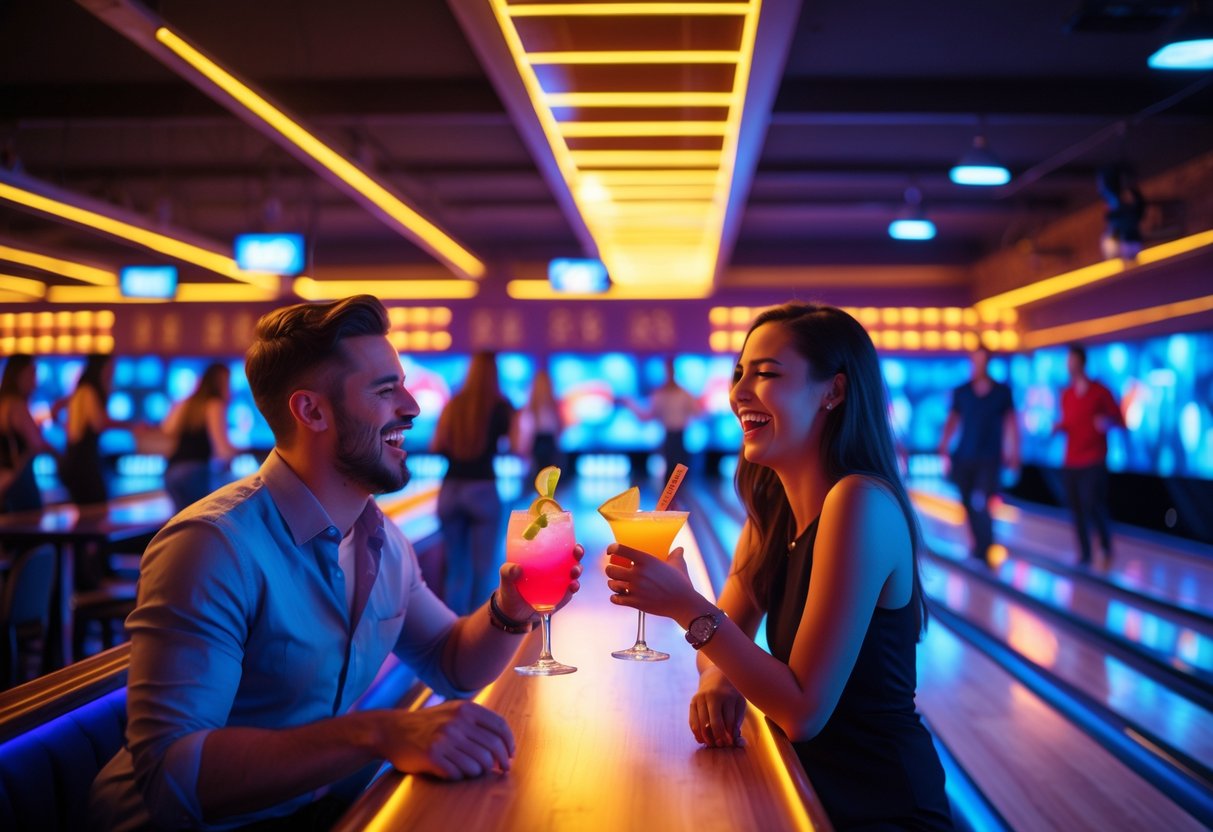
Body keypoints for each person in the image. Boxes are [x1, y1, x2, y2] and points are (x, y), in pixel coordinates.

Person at [88, 296, 583, 831]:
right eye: (384, 389)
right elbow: (174, 778)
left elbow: (451, 663)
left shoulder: (381, 539)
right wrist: (380, 733)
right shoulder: (212, 547)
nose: (413, 406)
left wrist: (509, 609)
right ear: (312, 411)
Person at [604, 303, 953, 830]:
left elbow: (802, 711)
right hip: (808, 791)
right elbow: (719, 644)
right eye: (740, 373)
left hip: (879, 806)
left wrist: (685, 607)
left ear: (832, 392)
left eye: (766, 375)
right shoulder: (771, 507)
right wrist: (719, 677)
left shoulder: (860, 503)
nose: (739, 391)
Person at [432, 352, 515, 615]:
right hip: (483, 490)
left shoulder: (454, 403)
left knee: (456, 568)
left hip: (451, 490)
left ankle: (450, 629)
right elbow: (517, 448)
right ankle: (477, 633)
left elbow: (437, 445)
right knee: (483, 569)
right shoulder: (502, 406)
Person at [937, 345, 1020, 565]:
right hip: (964, 455)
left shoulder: (1002, 391)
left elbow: (1011, 423)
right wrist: (943, 445)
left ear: (988, 362)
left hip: (990, 458)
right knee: (967, 502)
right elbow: (953, 420)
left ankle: (986, 544)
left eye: (983, 360)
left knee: (982, 501)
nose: (979, 364)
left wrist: (1014, 452)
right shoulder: (962, 391)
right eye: (976, 360)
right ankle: (979, 543)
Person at [1055, 343, 1125, 568]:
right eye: (1068, 363)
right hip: (1071, 461)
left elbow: (1119, 419)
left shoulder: (1100, 391)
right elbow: (1069, 422)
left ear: (1082, 363)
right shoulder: (1066, 394)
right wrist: (1057, 427)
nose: (1069, 366)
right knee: (1076, 508)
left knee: (1092, 505)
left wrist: (1106, 421)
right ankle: (1085, 555)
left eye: (1072, 362)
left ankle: (1105, 546)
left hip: (1094, 459)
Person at [163, 363, 238, 512]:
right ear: (221, 381)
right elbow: (222, 449)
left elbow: (167, 429)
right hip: (194, 472)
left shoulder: (187, 402)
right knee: (197, 526)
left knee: (180, 525)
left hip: (172, 472)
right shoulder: (215, 404)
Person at [59, 353, 124, 505]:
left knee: (88, 513)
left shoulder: (81, 390)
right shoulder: (89, 391)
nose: (112, 373)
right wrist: (132, 425)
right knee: (95, 510)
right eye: (109, 368)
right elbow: (99, 423)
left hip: (76, 459)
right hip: (82, 462)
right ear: (99, 369)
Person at [620, 356, 701, 478]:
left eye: (671, 370)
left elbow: (697, 412)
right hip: (668, 437)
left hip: (680, 437)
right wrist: (630, 404)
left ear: (674, 371)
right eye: (667, 370)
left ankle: (680, 495)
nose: (669, 373)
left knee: (680, 475)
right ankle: (673, 496)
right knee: (670, 473)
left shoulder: (685, 393)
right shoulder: (659, 394)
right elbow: (645, 416)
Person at [0, 354, 55, 513]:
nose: (35, 381)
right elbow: (35, 444)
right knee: (29, 529)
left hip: (5, 481)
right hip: (19, 480)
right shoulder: (17, 406)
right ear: (19, 375)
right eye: (32, 373)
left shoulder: (4, 403)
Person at [513, 366, 563, 483]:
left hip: (536, 444)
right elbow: (560, 430)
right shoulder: (554, 407)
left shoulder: (528, 408)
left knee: (536, 480)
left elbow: (524, 433)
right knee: (549, 482)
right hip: (549, 443)